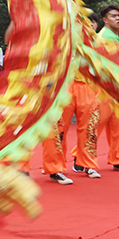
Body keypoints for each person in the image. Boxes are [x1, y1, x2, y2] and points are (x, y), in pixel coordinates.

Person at [46, 14, 101, 185]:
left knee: (89, 128)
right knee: (58, 128)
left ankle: (88, 164)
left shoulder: (98, 43)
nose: (89, 25)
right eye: (84, 22)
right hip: (65, 87)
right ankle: (55, 169)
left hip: (88, 88)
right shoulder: (65, 39)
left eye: (92, 22)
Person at [94, 4, 119, 173]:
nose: (118, 18)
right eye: (113, 16)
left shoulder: (115, 37)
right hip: (105, 88)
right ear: (105, 20)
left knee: (118, 125)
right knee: (96, 124)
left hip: (117, 88)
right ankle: (80, 156)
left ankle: (117, 158)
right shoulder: (105, 37)